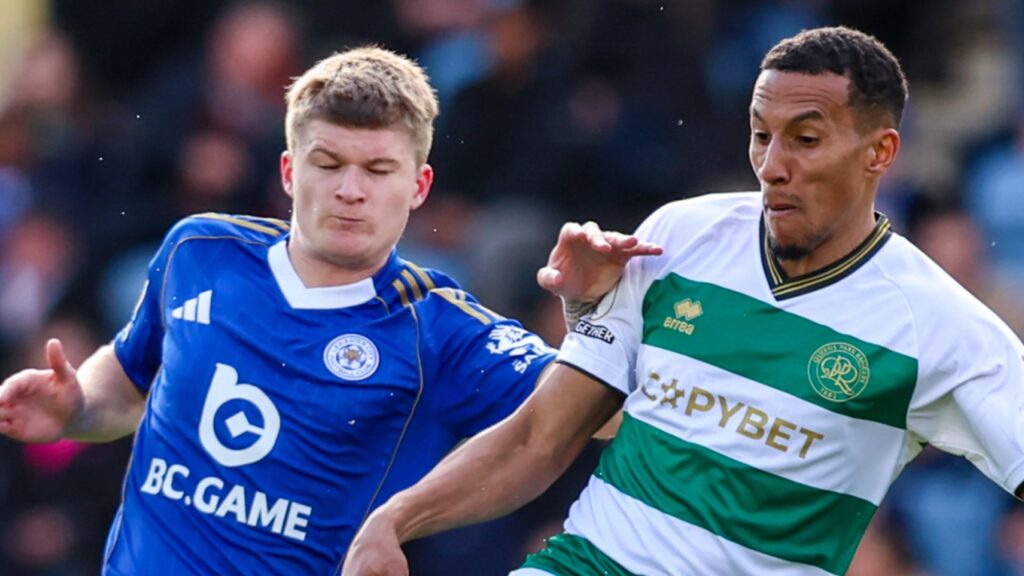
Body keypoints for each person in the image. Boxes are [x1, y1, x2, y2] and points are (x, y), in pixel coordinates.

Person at [343, 26, 1024, 576]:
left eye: (806, 139)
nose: (772, 165)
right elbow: (539, 435)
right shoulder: (679, 237)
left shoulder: (940, 327)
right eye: (761, 134)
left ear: (880, 152)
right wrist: (394, 519)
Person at [0, 47, 656, 575]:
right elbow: (128, 380)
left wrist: (591, 310)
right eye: (329, 162)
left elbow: (603, 417)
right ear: (290, 171)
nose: (349, 190)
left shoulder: (440, 328)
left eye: (378, 169)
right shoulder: (199, 251)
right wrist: (76, 406)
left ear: (419, 186)